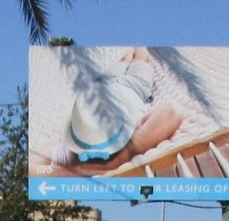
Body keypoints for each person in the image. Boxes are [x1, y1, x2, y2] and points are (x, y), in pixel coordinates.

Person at [43, 47, 183, 175]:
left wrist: (73, 172)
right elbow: (172, 112)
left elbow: (33, 164)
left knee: (124, 60)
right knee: (140, 58)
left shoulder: (74, 148)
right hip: (135, 86)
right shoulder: (128, 129)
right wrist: (127, 154)